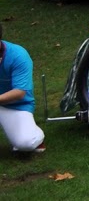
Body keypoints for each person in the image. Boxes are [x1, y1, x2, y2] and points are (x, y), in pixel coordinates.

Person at [0, 25, 45, 155]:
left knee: (25, 143)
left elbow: (19, 92)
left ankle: (36, 135)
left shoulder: (18, 55)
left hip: (16, 106)